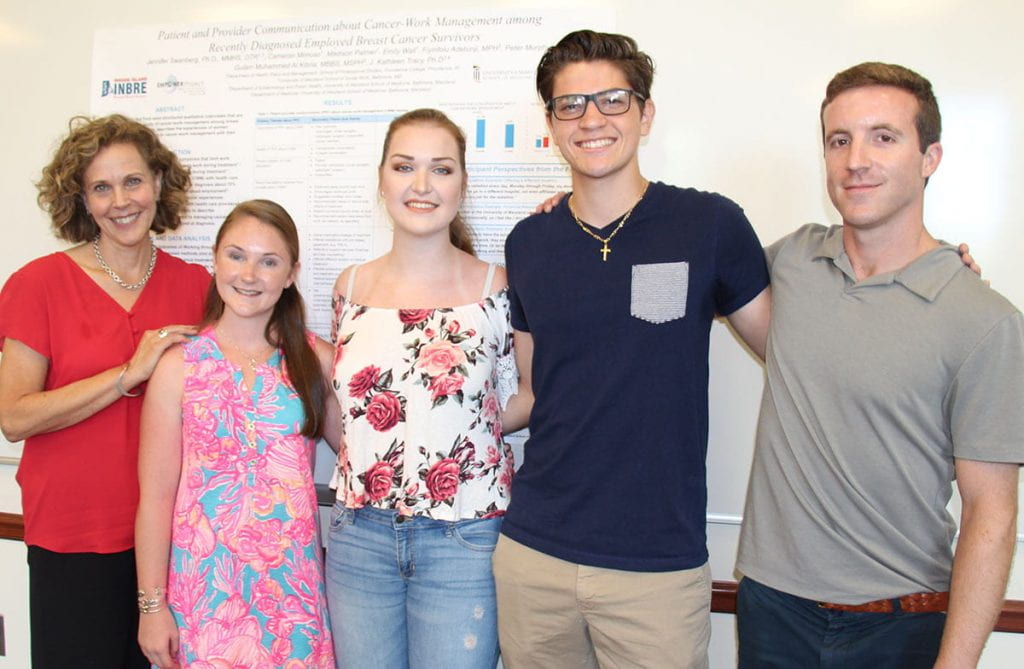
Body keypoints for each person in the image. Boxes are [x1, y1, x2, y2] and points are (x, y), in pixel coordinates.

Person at [492, 30, 771, 669]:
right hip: (535, 555)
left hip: (657, 568)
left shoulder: (708, 225)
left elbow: (792, 348)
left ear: (645, 114)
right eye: (572, 105)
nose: (592, 118)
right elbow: (535, 393)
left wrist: (899, 265)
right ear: (552, 125)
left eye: (613, 100)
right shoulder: (529, 242)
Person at [735, 62, 1024, 668]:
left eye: (883, 137)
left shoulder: (984, 319)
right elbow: (671, 274)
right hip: (772, 611)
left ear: (930, 157)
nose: (855, 160)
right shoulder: (791, 260)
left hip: (900, 626)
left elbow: (991, 517)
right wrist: (583, 206)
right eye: (839, 140)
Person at [0, 114, 210, 668]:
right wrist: (126, 374)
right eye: (101, 187)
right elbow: (14, 417)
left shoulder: (196, 286)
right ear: (82, 200)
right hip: (73, 535)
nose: (121, 200)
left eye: (133, 181)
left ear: (159, 184)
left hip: (173, 541)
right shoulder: (36, 285)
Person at [325, 108, 523, 669]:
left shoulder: (497, 289)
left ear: (462, 183)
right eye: (404, 166)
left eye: (441, 169)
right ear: (382, 178)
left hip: (464, 539)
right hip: (359, 535)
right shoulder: (351, 287)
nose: (420, 185)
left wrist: (450, 427)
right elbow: (344, 409)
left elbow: (522, 400)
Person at [133, 199, 339, 668]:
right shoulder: (178, 368)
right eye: (237, 255)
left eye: (269, 261)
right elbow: (156, 497)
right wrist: (152, 607)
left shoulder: (315, 361)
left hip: (292, 597)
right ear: (215, 259)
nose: (250, 274)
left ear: (290, 274)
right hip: (203, 597)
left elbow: (360, 452)